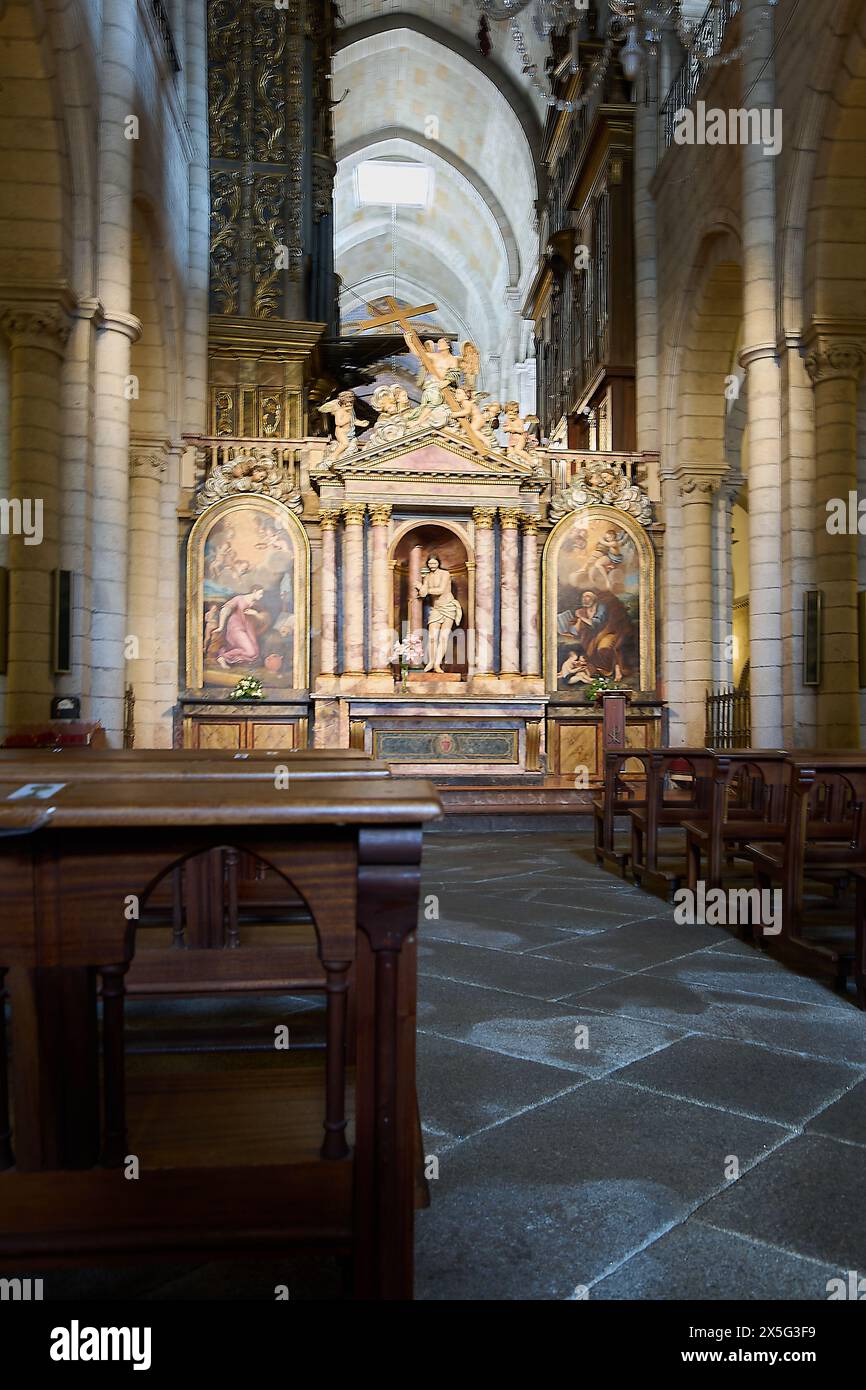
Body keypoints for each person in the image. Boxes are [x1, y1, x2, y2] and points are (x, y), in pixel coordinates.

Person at [415, 554, 462, 673]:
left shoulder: (445, 574)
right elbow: (422, 593)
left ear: (438, 563)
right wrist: (421, 588)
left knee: (443, 637)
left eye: (434, 563)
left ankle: (437, 664)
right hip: (436, 609)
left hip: (448, 607)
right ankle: (431, 662)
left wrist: (424, 590)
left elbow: (440, 590)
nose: (432, 566)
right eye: (430, 563)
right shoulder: (427, 577)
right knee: (431, 637)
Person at [213, 586, 266, 668]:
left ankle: (229, 657)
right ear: (254, 591)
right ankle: (223, 657)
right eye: (260, 593)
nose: (261, 596)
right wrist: (221, 626)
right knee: (250, 652)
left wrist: (255, 614)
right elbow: (225, 610)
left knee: (255, 653)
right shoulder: (239, 599)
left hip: (248, 629)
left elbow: (265, 617)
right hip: (236, 627)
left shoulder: (257, 604)